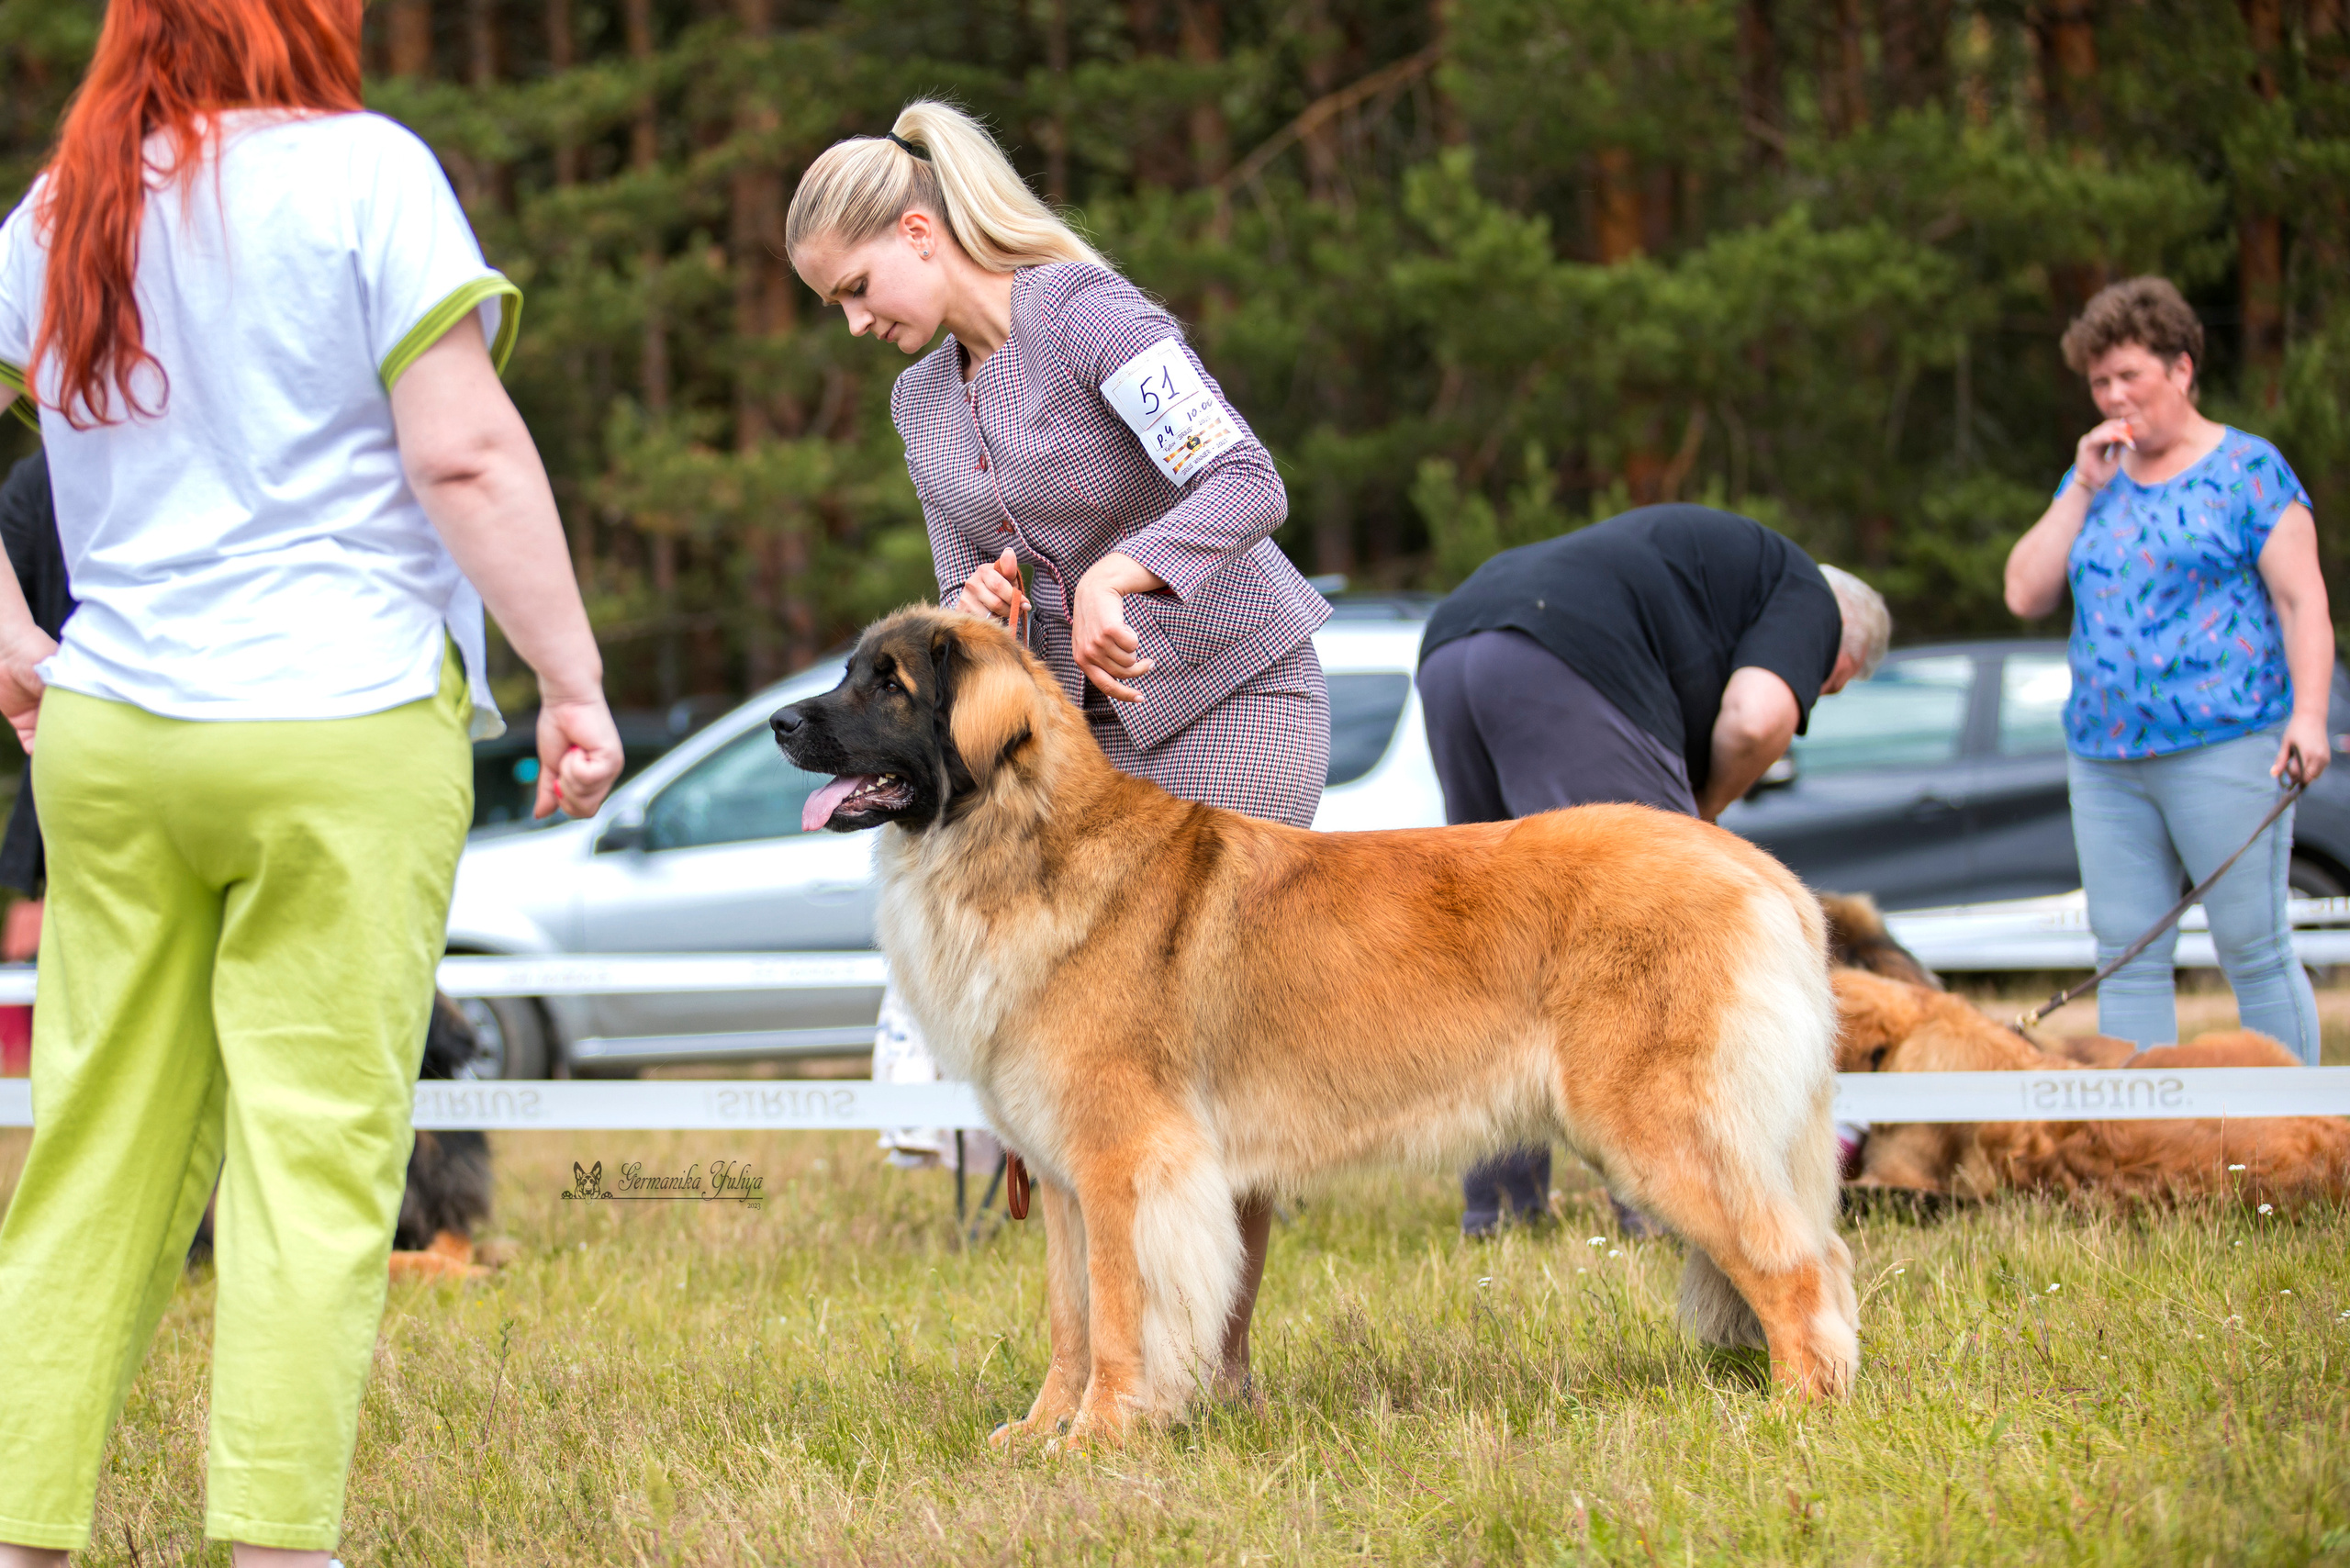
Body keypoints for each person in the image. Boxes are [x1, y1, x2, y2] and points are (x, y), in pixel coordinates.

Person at [0, 0, 624, 1560]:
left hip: (114, 733)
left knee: (93, 1146)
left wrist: (10, 629)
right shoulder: (368, 173)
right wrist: (571, 677)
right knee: (313, 1147)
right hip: (337, 723)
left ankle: (18, 1527)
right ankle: (278, 1541)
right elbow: (466, 455)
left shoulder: (72, 197)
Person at [785, 100, 1332, 1394]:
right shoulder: (923, 405)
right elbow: (961, 617)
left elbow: (1246, 480)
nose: (857, 322)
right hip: (1077, 762)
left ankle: (1215, 1365)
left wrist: (1122, 574)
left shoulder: (1088, 314)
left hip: (1235, 702)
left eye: (858, 288)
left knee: (1204, 1058)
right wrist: (985, 604)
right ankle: (1101, 1373)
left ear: (921, 233)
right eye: (836, 306)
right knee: (1085, 1074)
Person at [1416, 502, 1891, 1235]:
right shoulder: (1809, 597)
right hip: (1565, 658)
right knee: (1659, 958)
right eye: (1827, 689)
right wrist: (1697, 818)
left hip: (1454, 646)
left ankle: (1503, 1212)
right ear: (1843, 653)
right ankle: (1665, 1208)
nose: (1815, 698)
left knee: (1498, 950)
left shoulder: (1724, 577)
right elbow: (1757, 718)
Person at [2003, 275, 2329, 1064]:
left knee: (2252, 945)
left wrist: (2310, 717)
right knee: (2125, 952)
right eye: (2099, 382)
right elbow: (2024, 591)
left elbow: (2301, 602)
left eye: (2129, 376)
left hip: (2230, 742)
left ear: (2181, 369)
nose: (2114, 396)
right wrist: (2082, 483)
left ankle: (2299, 1133)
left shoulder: (2250, 471)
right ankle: (2141, 1143)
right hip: (2107, 758)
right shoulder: (2096, 477)